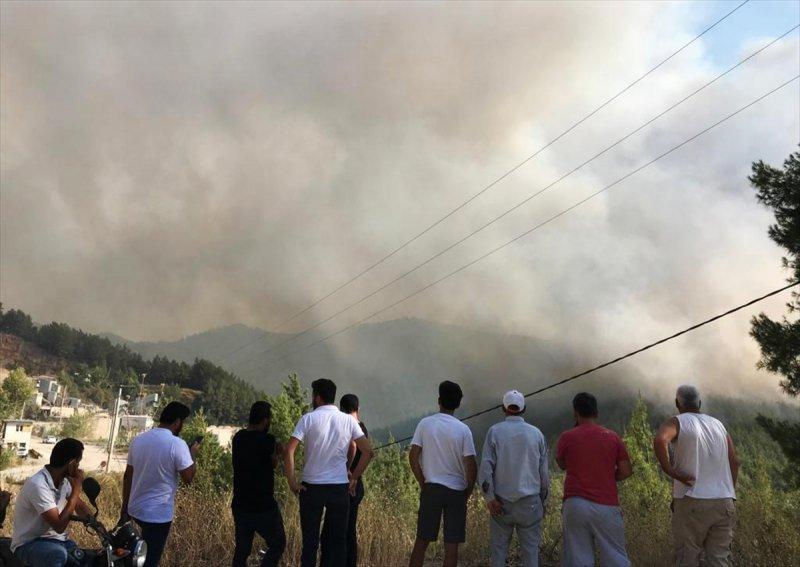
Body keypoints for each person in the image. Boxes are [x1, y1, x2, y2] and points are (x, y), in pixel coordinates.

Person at [284, 379, 374, 567]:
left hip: (311, 488)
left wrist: (292, 482)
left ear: (317, 397)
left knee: (310, 544)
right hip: (339, 488)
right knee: (338, 542)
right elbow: (367, 452)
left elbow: (289, 449)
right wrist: (354, 477)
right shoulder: (348, 420)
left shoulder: (308, 419)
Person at [653, 385, 740, 567]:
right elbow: (734, 462)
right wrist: (729, 492)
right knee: (719, 559)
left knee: (687, 557)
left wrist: (671, 471)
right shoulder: (719, 425)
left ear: (678, 403)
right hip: (724, 501)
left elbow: (660, 440)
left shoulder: (678, 422)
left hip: (692, 499)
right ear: (699, 403)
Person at [556, 393, 632, 567]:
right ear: (596, 413)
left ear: (575, 413)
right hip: (606, 504)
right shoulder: (612, 437)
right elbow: (626, 471)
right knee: (615, 556)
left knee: (578, 558)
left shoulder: (567, 437)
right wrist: (606, 476)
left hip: (575, 504)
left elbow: (561, 464)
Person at [121, 401, 200, 567]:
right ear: (178, 422)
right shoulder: (177, 444)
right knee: (149, 561)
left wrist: (125, 508)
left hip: (135, 510)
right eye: (183, 422)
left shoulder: (139, 440)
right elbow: (188, 478)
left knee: (132, 559)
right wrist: (192, 454)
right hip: (158, 516)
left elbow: (128, 476)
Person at [408, 380, 477, 567]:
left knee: (421, 541)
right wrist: (467, 492)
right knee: (451, 545)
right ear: (458, 404)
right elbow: (471, 465)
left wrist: (423, 482)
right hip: (456, 492)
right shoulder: (464, 430)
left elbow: (413, 456)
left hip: (432, 489)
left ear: (439, 400)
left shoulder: (425, 424)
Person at [479, 390, 549, 567]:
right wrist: (542, 501)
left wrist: (490, 499)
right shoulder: (537, 434)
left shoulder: (494, 432)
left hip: (501, 503)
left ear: (504, 408)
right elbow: (544, 475)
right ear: (523, 409)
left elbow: (486, 468)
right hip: (530, 503)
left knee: (498, 553)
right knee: (531, 553)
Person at [11, 438, 91, 566]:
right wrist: (77, 490)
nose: (78, 468)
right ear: (71, 464)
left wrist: (97, 525)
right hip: (29, 544)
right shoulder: (38, 484)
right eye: (78, 463)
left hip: (57, 541)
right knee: (58, 555)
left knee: (86, 559)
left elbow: (79, 506)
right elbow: (59, 526)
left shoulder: (64, 482)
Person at [231, 401, 286, 567]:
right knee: (278, 543)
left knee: (242, 550)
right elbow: (273, 464)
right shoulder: (268, 440)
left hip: (240, 504)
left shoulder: (238, 438)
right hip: (263, 505)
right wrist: (278, 453)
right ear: (265, 420)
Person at [320, 393, 368, 567]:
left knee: (330, 532)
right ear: (357, 409)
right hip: (356, 486)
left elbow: (352, 446)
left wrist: (347, 470)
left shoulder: (344, 424)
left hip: (343, 485)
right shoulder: (361, 426)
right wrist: (356, 476)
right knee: (349, 532)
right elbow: (366, 453)